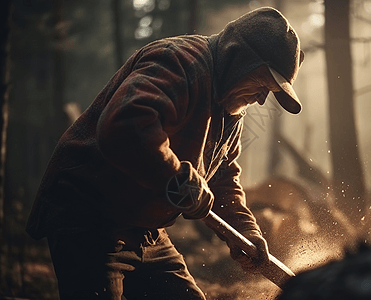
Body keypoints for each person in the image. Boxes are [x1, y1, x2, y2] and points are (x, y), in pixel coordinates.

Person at [26, 6, 305, 300]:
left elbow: (223, 178)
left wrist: (247, 231)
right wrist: (179, 179)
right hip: (89, 216)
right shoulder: (178, 61)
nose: (262, 99)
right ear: (239, 58)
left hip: (146, 231)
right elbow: (125, 125)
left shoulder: (231, 104)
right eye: (263, 84)